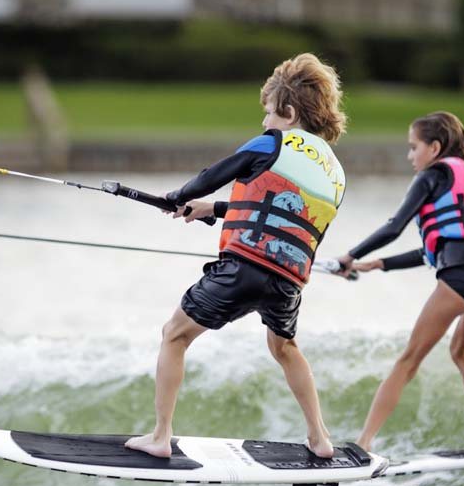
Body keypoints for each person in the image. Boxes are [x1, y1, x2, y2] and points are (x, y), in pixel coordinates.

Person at [125, 53, 348, 459]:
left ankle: (159, 436)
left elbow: (214, 174)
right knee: (284, 348)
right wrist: (214, 209)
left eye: (269, 113)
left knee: (174, 334)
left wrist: (178, 197)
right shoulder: (335, 172)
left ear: (290, 111)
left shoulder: (273, 141)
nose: (264, 122)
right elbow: (285, 212)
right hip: (288, 281)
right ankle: (320, 438)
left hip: (244, 267)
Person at [336, 111, 464, 453]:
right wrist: (380, 264)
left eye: (414, 147)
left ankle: (364, 442)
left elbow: (395, 226)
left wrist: (349, 256)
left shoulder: (432, 176)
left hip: (460, 281)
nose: (410, 156)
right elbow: (441, 246)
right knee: (462, 351)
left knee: (408, 360)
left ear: (435, 147)